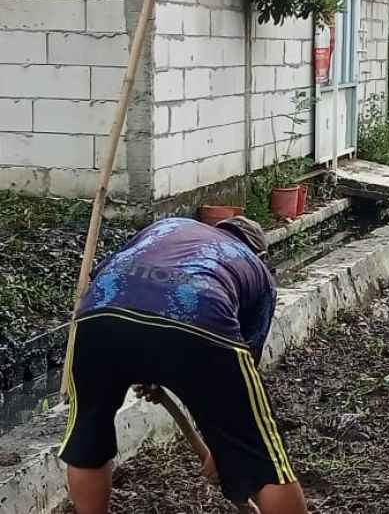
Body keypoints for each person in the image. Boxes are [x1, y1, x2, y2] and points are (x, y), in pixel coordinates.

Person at [59, 217, 308, 514]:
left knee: (89, 434)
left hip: (98, 313)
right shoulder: (257, 271)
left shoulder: (168, 226)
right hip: (199, 316)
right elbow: (237, 384)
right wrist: (226, 447)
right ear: (262, 256)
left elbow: (123, 287)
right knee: (264, 460)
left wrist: (143, 365)